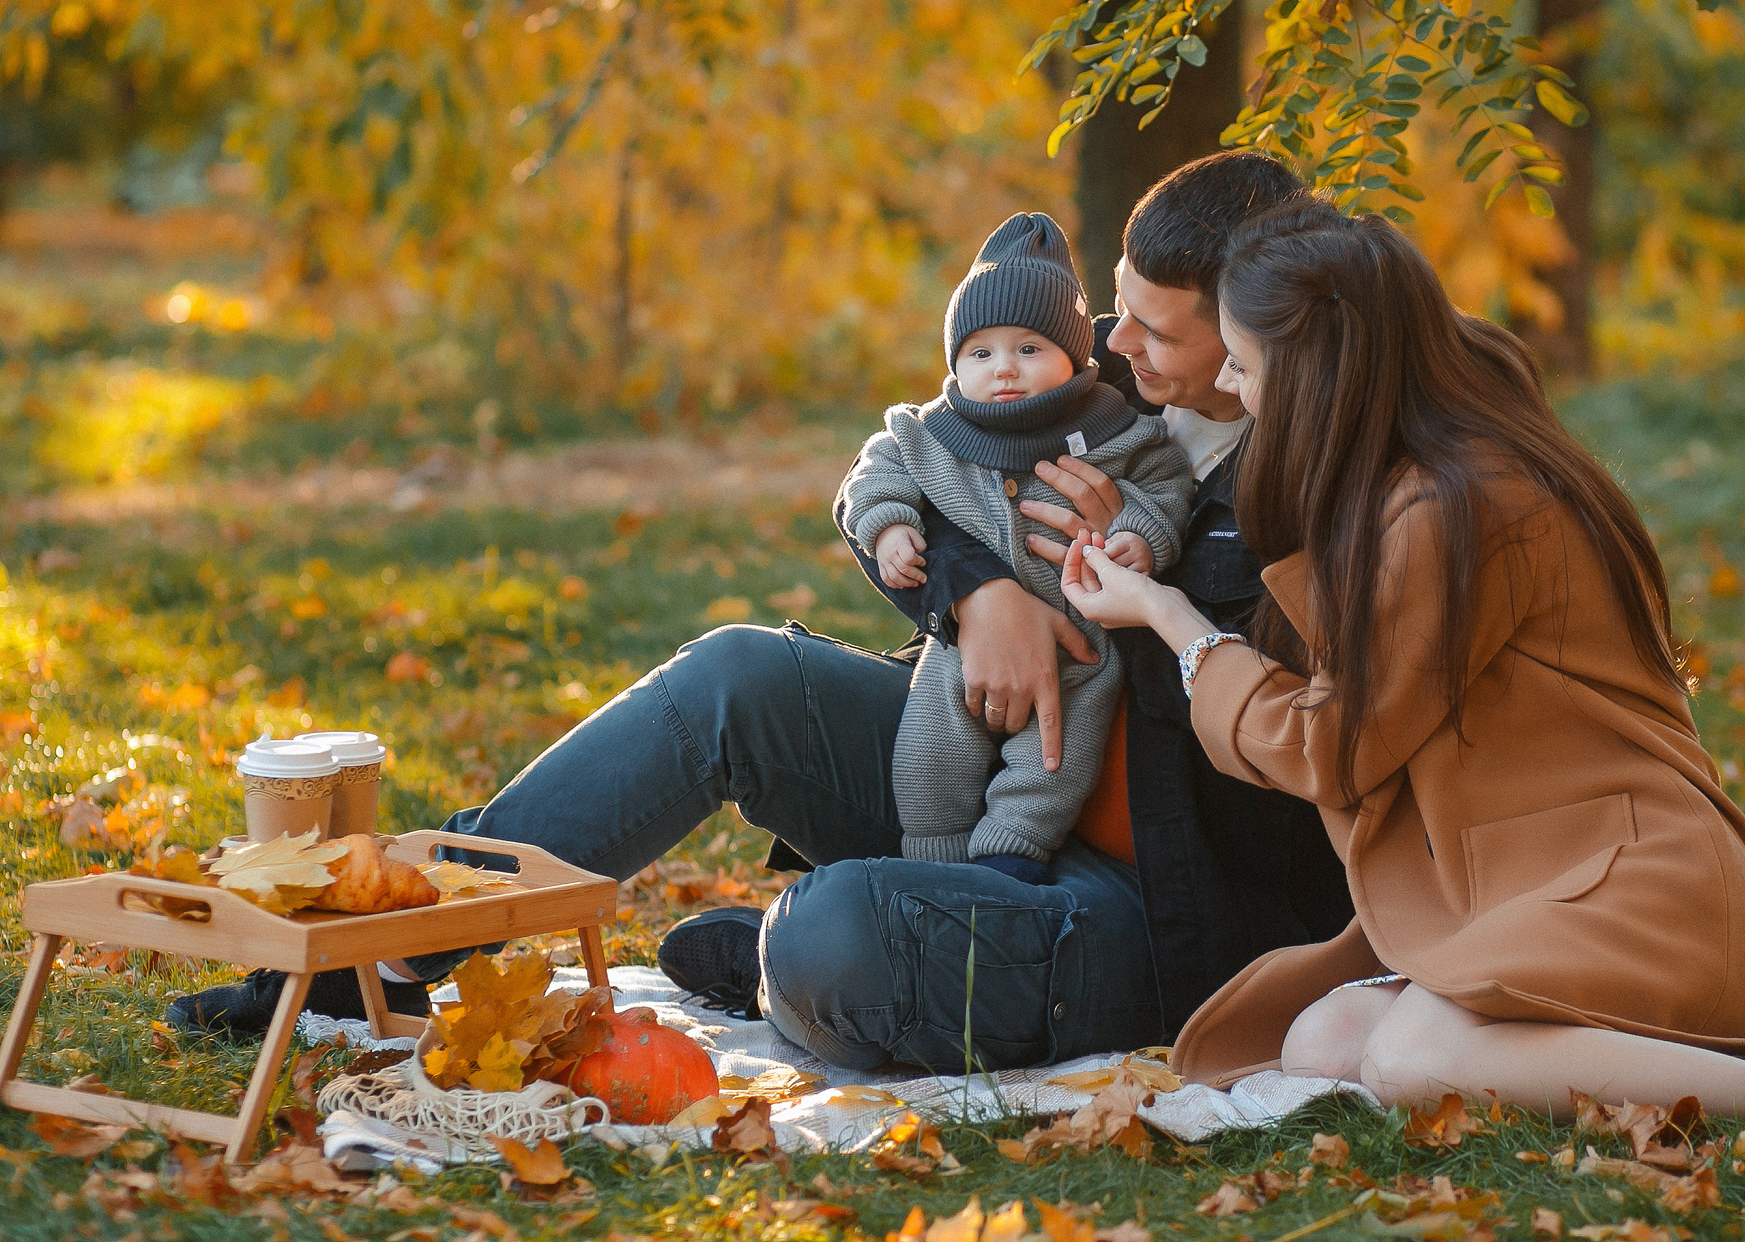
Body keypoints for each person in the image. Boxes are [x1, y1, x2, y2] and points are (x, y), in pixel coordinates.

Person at [165, 151, 1352, 1072]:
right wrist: (975, 588)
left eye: (1157, 328)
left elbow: (1298, 790)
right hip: (961, 757)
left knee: (837, 933)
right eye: (1118, 312)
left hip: (1139, 904)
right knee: (736, 673)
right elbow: (897, 466)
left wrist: (1138, 595)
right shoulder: (1110, 376)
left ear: (1260, 321)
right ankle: (371, 963)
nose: (1112, 341)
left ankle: (813, 953)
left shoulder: (1316, 482)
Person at [1056, 199, 1745, 1158]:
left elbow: (1329, 747)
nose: (1229, 382)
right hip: (1536, 886)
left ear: (1317, 374)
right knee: (1321, 1038)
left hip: (1642, 888)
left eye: (1245, 364)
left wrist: (1173, 621)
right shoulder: (1427, 476)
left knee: (1407, 1064)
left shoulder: (1452, 509)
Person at [839, 211, 1193, 883]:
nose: (1004, 368)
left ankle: (1009, 858)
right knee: (927, 760)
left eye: (1030, 349)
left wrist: (1139, 539)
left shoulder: (1117, 432)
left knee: (1056, 759)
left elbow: (1165, 487)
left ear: (1078, 357)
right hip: (957, 656)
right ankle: (935, 866)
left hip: (1079, 653)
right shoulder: (932, 432)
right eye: (981, 353)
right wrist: (888, 525)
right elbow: (877, 467)